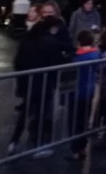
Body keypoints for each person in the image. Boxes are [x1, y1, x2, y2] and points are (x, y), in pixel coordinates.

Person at [12, 15, 72, 159]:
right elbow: (59, 61)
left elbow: (17, 61)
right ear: (52, 28)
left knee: (26, 113)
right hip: (44, 85)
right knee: (42, 114)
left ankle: (13, 142)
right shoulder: (51, 42)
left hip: (28, 83)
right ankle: (40, 146)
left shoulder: (27, 39)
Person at [68, 29, 101, 161]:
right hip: (89, 91)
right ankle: (83, 146)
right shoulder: (96, 55)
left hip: (76, 92)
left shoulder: (76, 57)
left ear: (79, 42)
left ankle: (75, 149)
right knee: (85, 119)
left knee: (74, 121)